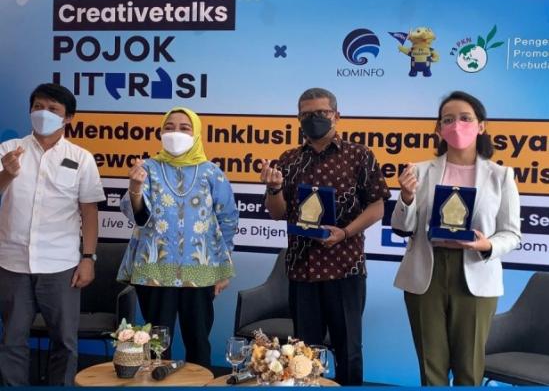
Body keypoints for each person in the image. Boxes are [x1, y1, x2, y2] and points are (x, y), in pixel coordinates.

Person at [260, 87, 391, 385]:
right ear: (298, 119)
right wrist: (274, 188)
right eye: (306, 115)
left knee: (349, 350)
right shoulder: (289, 159)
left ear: (337, 116)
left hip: (345, 268)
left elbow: (378, 207)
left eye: (322, 112)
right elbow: (278, 213)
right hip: (301, 269)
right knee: (303, 353)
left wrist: (345, 232)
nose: (314, 119)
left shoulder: (359, 155)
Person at [391, 91, 521, 386]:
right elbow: (402, 227)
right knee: (431, 369)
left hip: (476, 272)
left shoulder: (501, 175)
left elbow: (511, 233)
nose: (456, 125)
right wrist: (407, 197)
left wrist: (487, 245)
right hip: (425, 275)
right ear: (439, 129)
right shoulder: (418, 171)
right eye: (448, 120)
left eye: (465, 118)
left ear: (481, 126)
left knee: (469, 369)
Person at [0, 83, 105, 385]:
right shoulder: (8, 150)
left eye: (52, 109)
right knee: (12, 340)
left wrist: (88, 258)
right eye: (38, 107)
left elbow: (89, 212)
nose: (43, 113)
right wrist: (7, 173)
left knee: (65, 342)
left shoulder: (81, 158)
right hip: (12, 262)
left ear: (68, 117)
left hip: (61, 265)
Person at [117, 106, 238, 368]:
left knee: (198, 341)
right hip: (155, 269)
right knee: (157, 344)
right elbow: (137, 215)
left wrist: (223, 269)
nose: (175, 133)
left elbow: (228, 219)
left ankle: (201, 384)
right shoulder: (146, 168)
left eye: (184, 128)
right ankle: (157, 384)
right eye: (169, 127)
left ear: (196, 134)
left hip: (200, 269)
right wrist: (135, 187)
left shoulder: (212, 172)